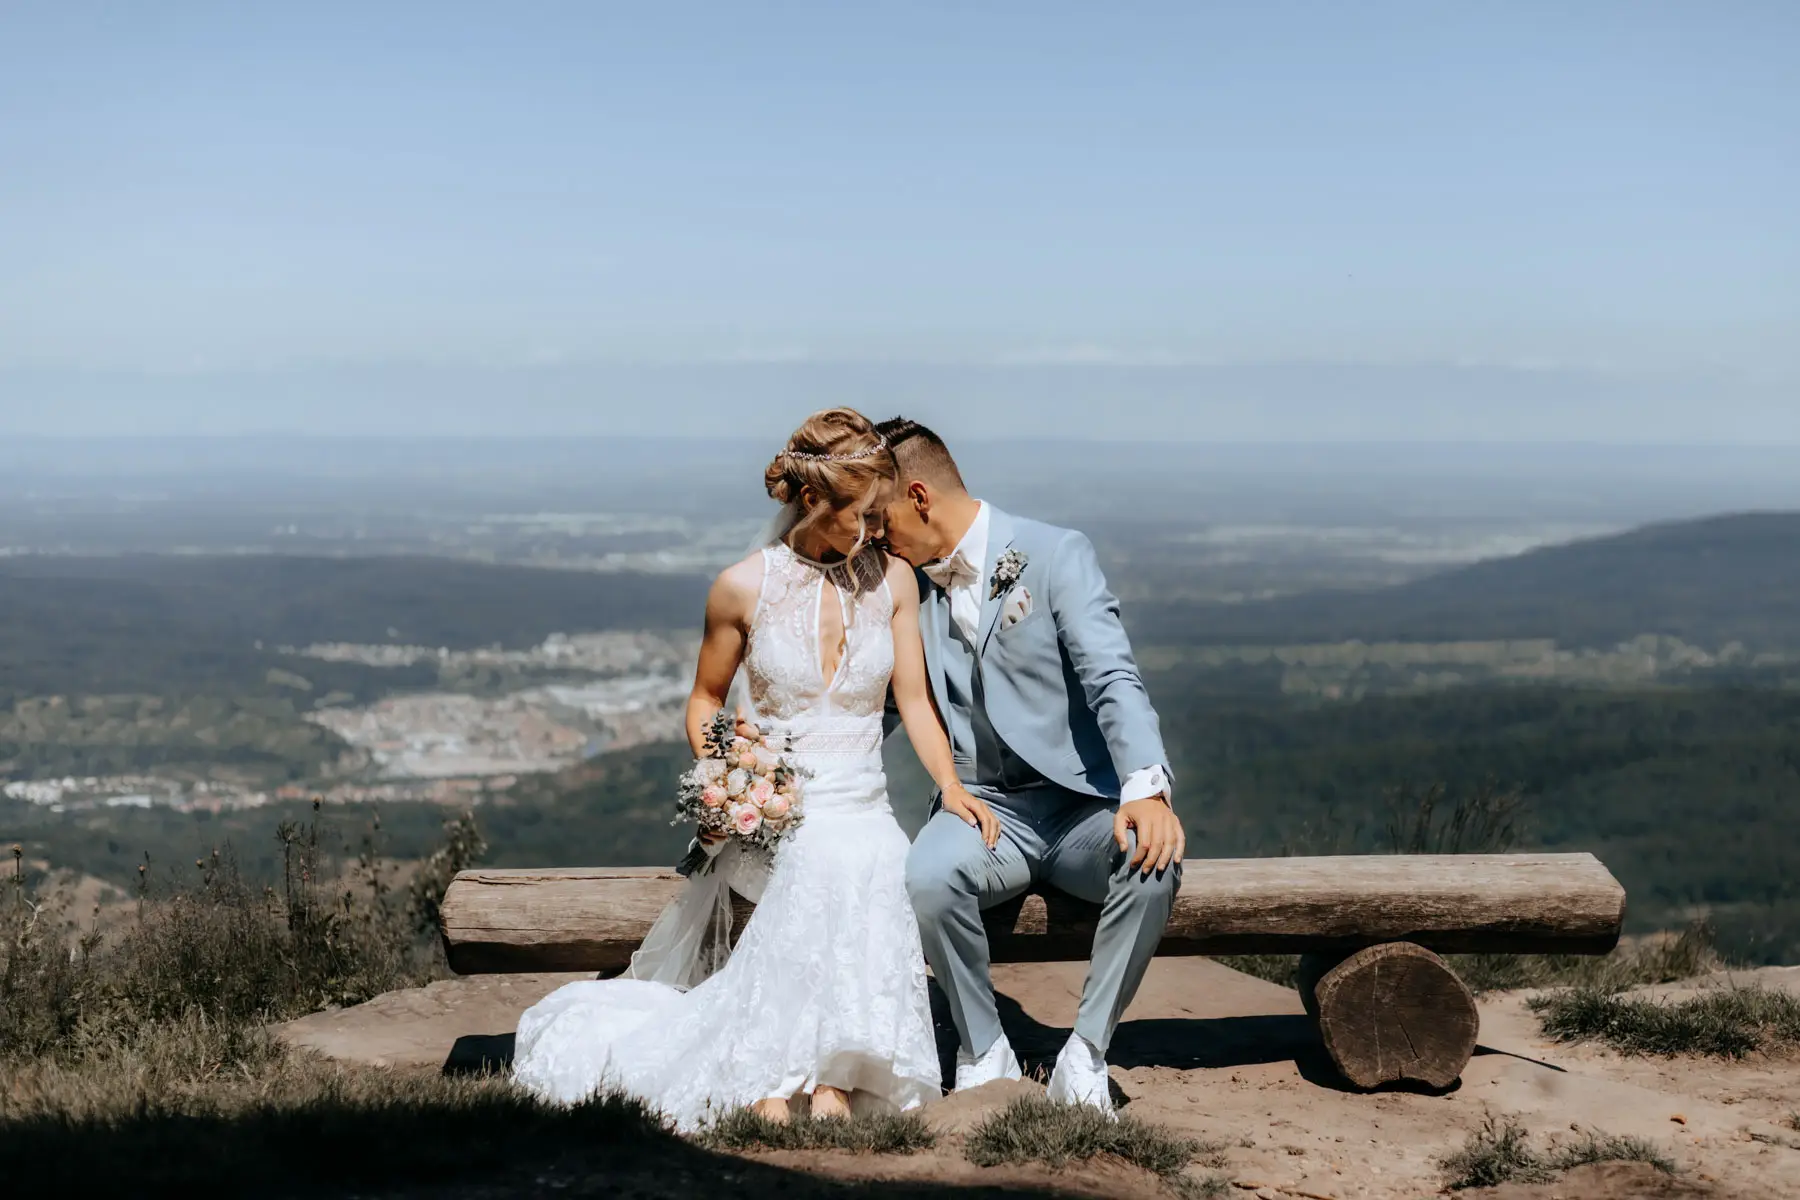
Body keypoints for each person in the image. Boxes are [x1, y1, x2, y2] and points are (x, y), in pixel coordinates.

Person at [512, 407, 980, 1131]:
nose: (870, 532)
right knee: (820, 861)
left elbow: (914, 703)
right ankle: (775, 1069)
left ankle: (836, 1074)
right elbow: (703, 701)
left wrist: (950, 787)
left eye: (875, 515)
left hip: (862, 798)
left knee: (877, 857)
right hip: (781, 810)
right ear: (810, 501)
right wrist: (733, 777)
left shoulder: (895, 582)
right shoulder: (741, 587)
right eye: (857, 515)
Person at [875, 417, 1184, 1116]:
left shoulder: (1054, 555)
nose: (874, 535)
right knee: (926, 876)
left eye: (879, 516)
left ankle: (1087, 1052)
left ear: (918, 496)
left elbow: (1111, 676)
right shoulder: (903, 586)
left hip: (1082, 808)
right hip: (985, 810)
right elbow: (890, 702)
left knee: (1154, 860)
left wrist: (1145, 787)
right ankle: (984, 1050)